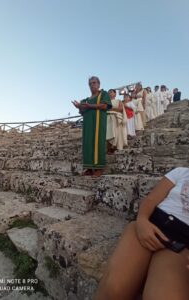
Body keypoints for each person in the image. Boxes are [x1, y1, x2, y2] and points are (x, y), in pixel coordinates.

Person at [94, 167, 189, 300]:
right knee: (114, 289)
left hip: (180, 243)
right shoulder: (181, 172)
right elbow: (150, 200)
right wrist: (142, 220)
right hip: (152, 221)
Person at [72, 76, 112, 177]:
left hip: (99, 122)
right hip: (88, 124)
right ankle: (89, 168)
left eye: (94, 83)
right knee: (87, 144)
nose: (92, 85)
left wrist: (89, 106)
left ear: (98, 84)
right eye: (90, 84)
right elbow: (82, 112)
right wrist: (79, 107)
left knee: (98, 142)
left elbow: (104, 106)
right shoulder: (85, 100)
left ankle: (99, 168)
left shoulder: (103, 94)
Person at [106, 89, 127, 153]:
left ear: (115, 94)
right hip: (107, 118)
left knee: (116, 132)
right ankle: (109, 148)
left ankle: (115, 146)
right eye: (108, 92)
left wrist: (111, 109)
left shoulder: (118, 101)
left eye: (111, 92)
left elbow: (120, 109)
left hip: (116, 118)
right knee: (108, 133)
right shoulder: (106, 102)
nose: (109, 93)